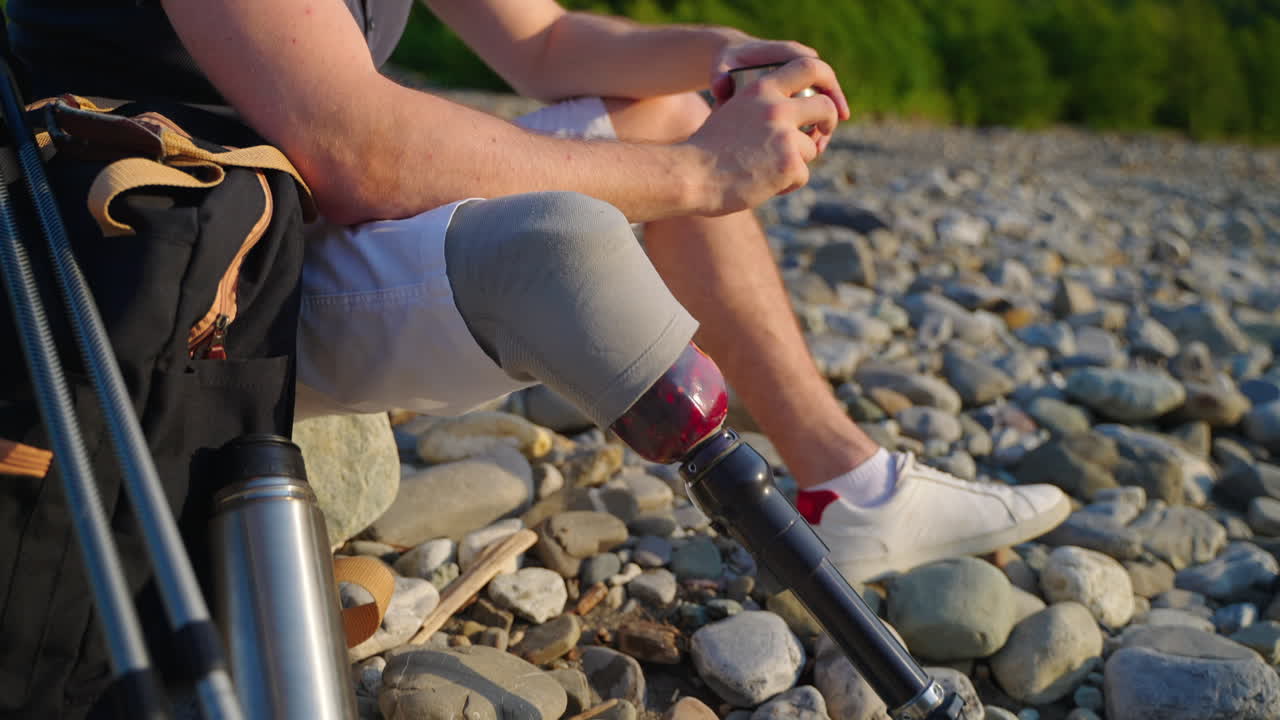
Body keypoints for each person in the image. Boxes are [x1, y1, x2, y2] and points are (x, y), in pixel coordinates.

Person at [4, 0, 1069, 712]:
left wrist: (720, 57)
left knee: (655, 107)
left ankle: (844, 485)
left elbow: (547, 41)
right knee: (556, 243)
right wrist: (700, 174)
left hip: (288, 218)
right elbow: (356, 145)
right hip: (181, 276)